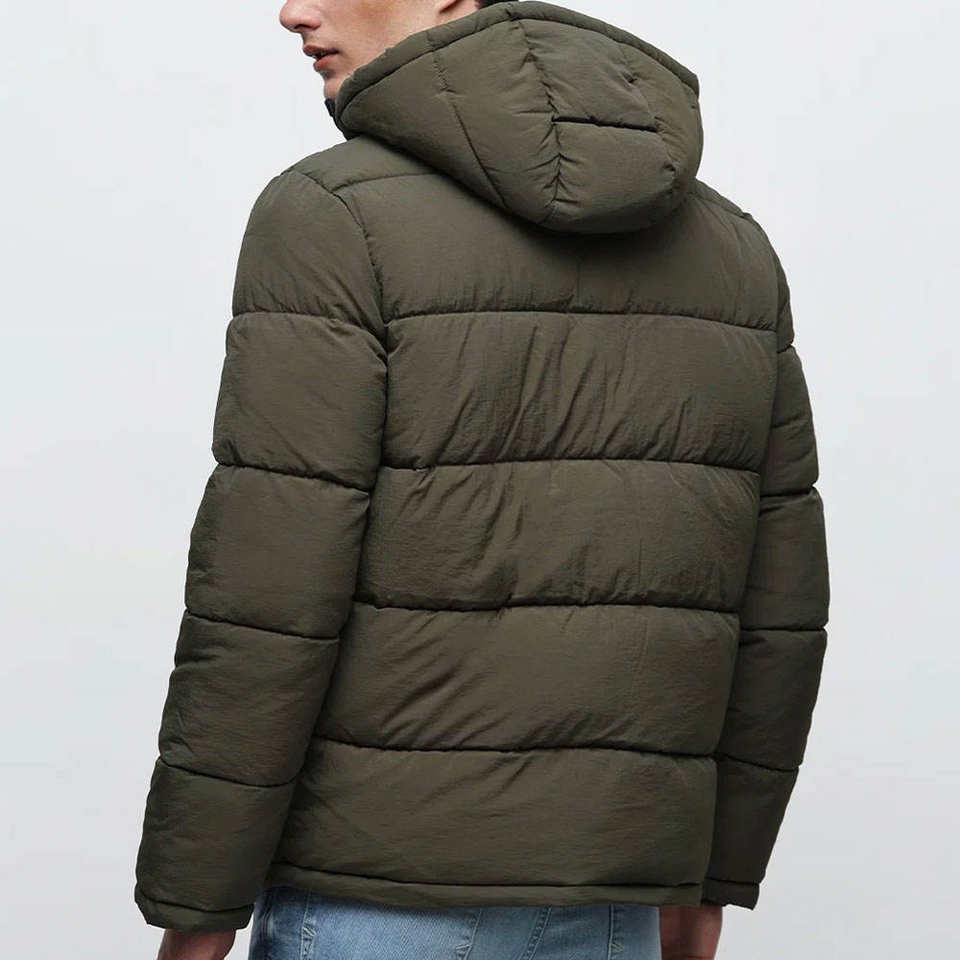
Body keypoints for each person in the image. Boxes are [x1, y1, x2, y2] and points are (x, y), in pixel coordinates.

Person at [133, 1, 831, 958]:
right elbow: (778, 602)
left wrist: (196, 909)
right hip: (617, 897)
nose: (293, 10)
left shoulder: (331, 215)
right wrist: (712, 878)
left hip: (373, 895)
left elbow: (266, 594)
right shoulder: (733, 248)